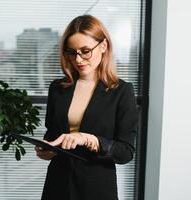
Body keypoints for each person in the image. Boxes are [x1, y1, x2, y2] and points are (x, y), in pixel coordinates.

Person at [35, 15, 139, 200]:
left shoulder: (122, 91)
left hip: (96, 188)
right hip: (57, 185)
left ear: (103, 46)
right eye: (71, 52)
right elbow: (52, 134)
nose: (78, 59)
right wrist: (47, 150)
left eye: (85, 51)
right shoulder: (58, 89)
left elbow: (126, 152)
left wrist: (88, 139)